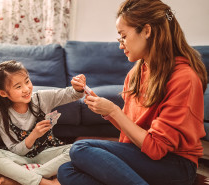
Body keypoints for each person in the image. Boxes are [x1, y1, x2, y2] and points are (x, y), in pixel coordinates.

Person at [57, 0, 208, 185]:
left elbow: (156, 148)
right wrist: (106, 111)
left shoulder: (184, 78)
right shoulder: (137, 73)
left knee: (80, 148)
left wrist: (113, 111)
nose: (121, 45)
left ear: (146, 30)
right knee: (67, 170)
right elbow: (132, 131)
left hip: (175, 165)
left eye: (123, 36)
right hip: (142, 155)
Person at [0, 60, 86, 185]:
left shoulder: (41, 98)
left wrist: (78, 87)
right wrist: (34, 135)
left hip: (47, 153)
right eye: (18, 87)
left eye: (27, 81)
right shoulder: (1, 117)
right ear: (3, 93)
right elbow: (15, 151)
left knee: (79, 149)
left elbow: (71, 94)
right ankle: (46, 182)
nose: (26, 89)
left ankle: (19, 180)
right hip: (19, 158)